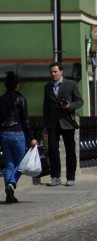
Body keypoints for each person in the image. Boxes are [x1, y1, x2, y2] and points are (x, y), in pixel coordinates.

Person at [43, 62, 84, 187]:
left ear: (61, 72)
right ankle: (55, 176)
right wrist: (45, 124)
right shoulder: (48, 87)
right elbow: (45, 107)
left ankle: (71, 177)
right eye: (51, 72)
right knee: (53, 149)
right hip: (53, 123)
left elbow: (80, 101)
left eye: (55, 71)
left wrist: (69, 106)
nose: (53, 74)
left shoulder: (71, 84)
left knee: (70, 150)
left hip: (67, 121)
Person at [1, 71, 38, 203]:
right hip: (17, 133)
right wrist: (31, 137)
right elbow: (25, 120)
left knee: (9, 164)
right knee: (22, 163)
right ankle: (11, 184)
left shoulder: (1, 99)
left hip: (4, 133)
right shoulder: (20, 99)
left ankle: (8, 194)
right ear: (17, 85)